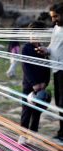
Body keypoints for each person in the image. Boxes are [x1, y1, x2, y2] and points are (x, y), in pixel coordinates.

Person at [36, 3, 63, 142]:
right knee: (59, 103)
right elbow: (53, 47)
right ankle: (61, 132)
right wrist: (46, 50)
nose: (53, 20)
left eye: (56, 16)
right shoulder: (57, 28)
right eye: (52, 17)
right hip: (57, 70)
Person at [20, 21, 50, 136]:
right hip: (29, 87)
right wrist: (34, 84)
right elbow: (26, 68)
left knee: (37, 112)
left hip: (41, 86)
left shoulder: (43, 49)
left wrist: (45, 82)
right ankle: (23, 135)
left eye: (37, 33)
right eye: (32, 33)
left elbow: (47, 66)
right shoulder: (26, 48)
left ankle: (33, 133)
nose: (34, 36)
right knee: (26, 111)